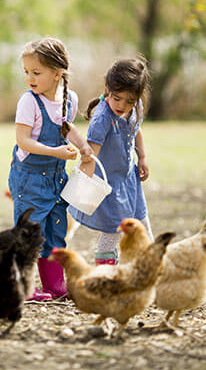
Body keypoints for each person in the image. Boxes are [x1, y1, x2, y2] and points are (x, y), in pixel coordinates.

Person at [8, 37, 93, 301]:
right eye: (26, 72)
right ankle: (25, 286)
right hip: (29, 178)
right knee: (29, 233)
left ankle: (54, 285)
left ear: (58, 74)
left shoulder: (70, 99)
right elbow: (23, 141)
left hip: (57, 177)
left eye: (36, 73)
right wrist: (56, 151)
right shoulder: (29, 102)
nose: (29, 79)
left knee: (56, 229)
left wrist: (82, 146)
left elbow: (66, 128)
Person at [69, 56, 154, 266]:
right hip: (109, 186)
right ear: (108, 88)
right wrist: (80, 188)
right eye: (117, 98)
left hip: (129, 180)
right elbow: (91, 156)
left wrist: (142, 157)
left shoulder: (134, 108)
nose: (122, 105)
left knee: (142, 226)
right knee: (113, 232)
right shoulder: (102, 119)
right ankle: (105, 274)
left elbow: (136, 130)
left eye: (130, 101)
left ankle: (152, 269)